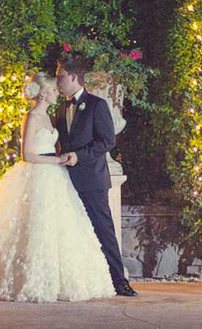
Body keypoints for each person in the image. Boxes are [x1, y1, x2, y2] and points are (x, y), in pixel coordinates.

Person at [0, 72, 115, 303]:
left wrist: (65, 158)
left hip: (56, 176)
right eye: (54, 89)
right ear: (44, 93)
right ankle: (29, 279)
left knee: (60, 228)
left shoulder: (51, 116)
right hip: (39, 174)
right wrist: (57, 160)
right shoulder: (32, 117)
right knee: (34, 227)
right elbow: (27, 154)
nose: (57, 92)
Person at [56, 57, 137, 297]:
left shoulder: (96, 105)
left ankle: (119, 281)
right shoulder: (60, 109)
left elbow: (107, 141)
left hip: (92, 180)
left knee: (104, 230)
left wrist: (78, 156)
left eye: (61, 76)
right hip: (65, 181)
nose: (57, 80)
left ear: (73, 77)